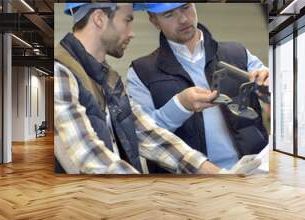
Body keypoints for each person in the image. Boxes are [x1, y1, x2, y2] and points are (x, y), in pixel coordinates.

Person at [54, 3, 227, 174]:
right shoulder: (59, 73)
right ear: (99, 18)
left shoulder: (108, 79)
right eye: (127, 20)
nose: (132, 33)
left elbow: (150, 135)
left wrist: (212, 171)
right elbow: (88, 156)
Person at [127, 3, 269, 173]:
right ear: (154, 20)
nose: (183, 19)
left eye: (186, 7)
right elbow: (143, 135)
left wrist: (269, 84)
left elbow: (276, 93)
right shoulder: (141, 72)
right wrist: (180, 105)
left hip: (252, 173)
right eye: (169, 14)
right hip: (188, 187)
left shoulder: (237, 53)